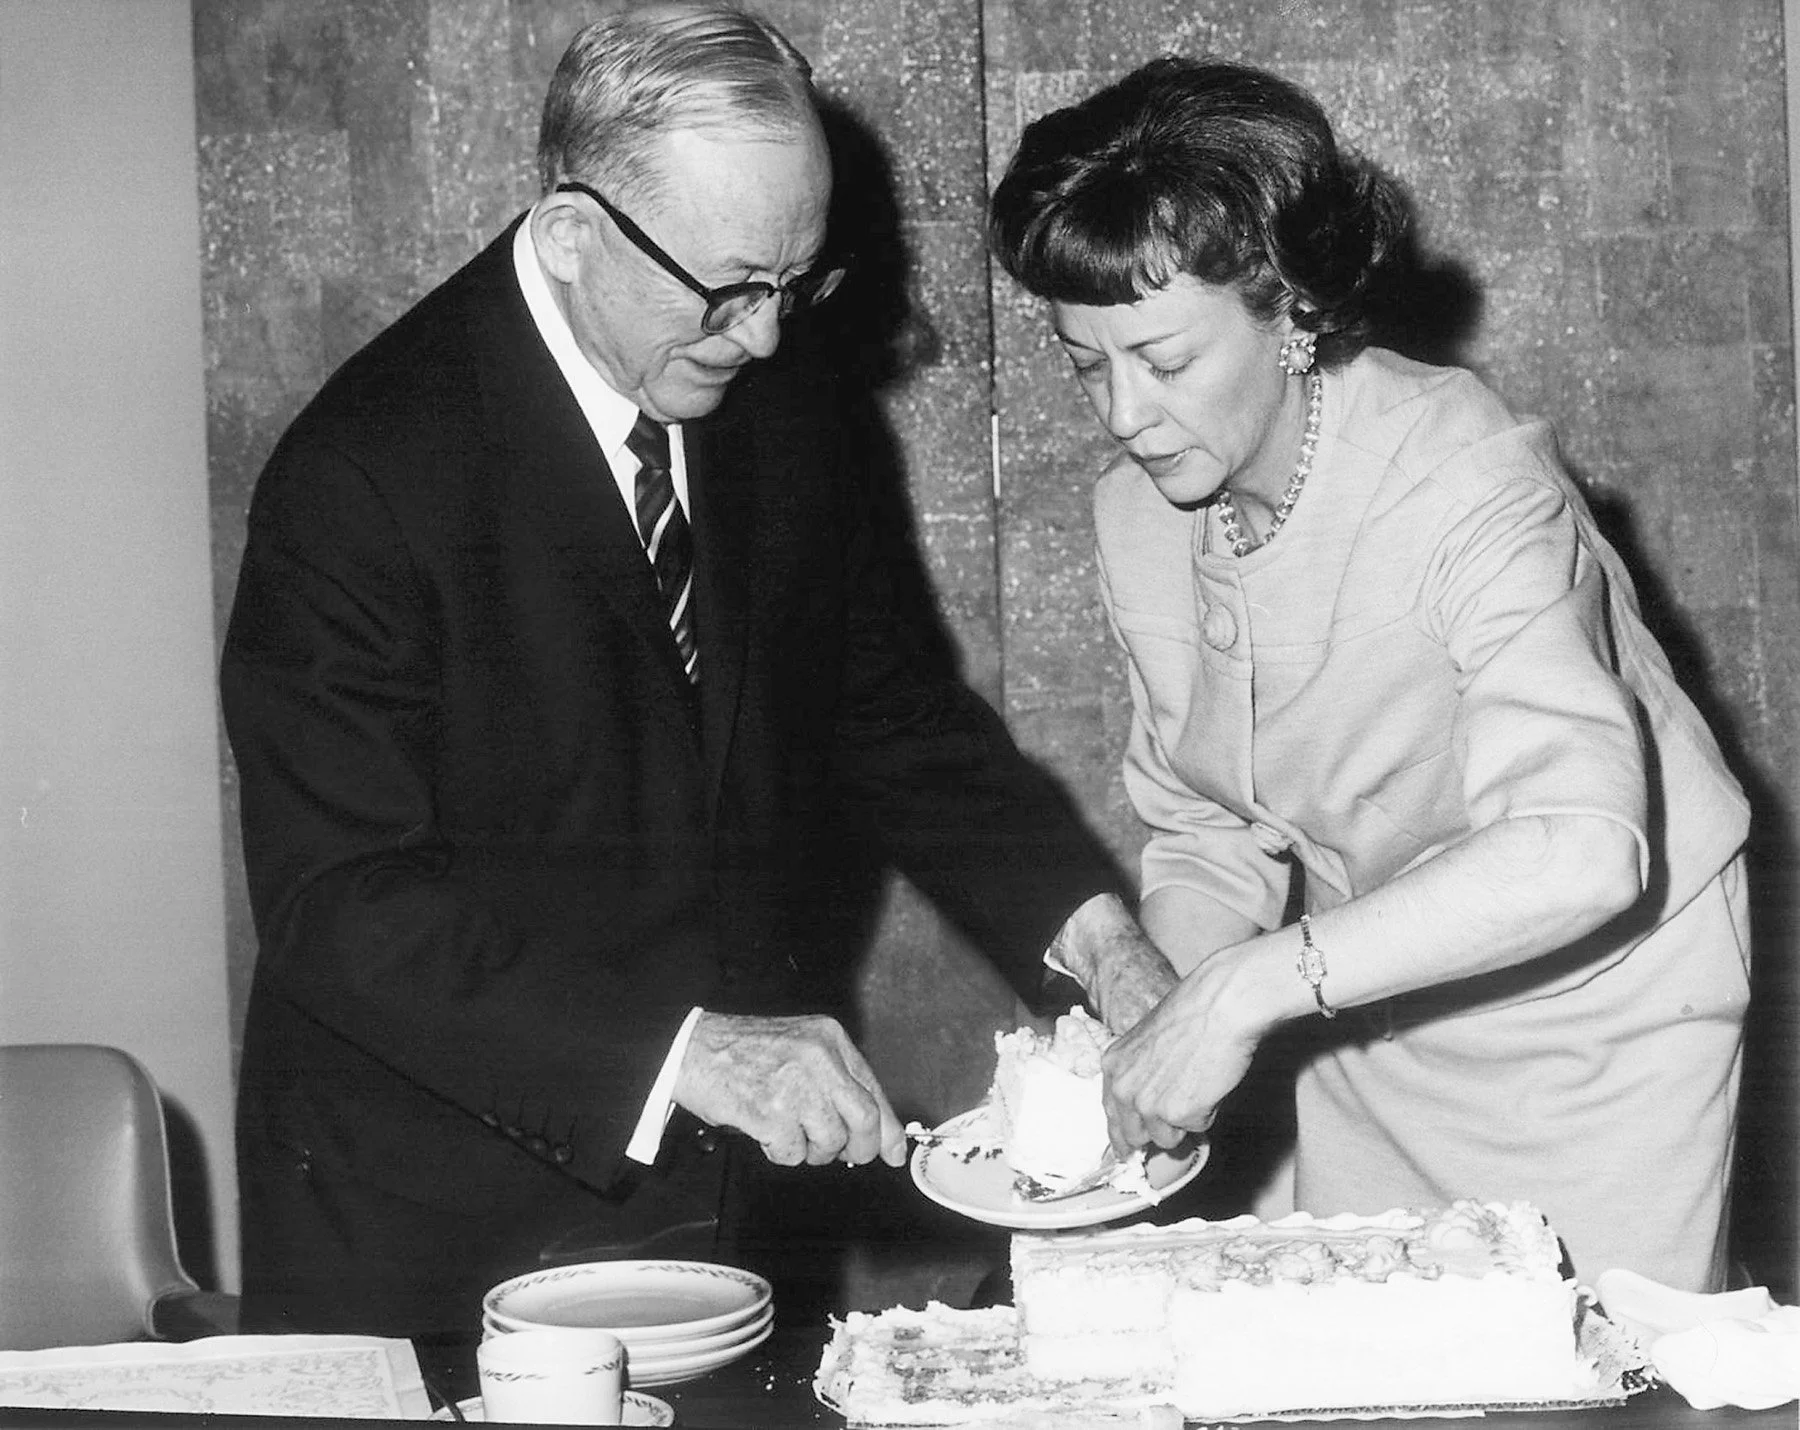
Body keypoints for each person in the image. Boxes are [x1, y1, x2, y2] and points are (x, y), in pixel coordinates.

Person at [220, 1, 1170, 1377]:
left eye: (798, 282)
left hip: (712, 1213)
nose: (770, 338)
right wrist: (691, 1056)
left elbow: (894, 718)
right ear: (572, 232)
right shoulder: (361, 477)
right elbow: (342, 906)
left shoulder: (767, 386)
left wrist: (1097, 938)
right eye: (730, 289)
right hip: (431, 1224)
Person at [988, 55, 1752, 1293]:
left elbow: (1581, 846)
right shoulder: (1136, 515)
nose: (1123, 413)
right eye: (1087, 363)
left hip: (1602, 1022)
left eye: (1165, 361)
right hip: (1368, 1004)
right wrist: (1158, 1020)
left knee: (1577, 1364)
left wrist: (1242, 992)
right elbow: (1210, 829)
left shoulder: (1467, 477)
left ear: (1290, 312)